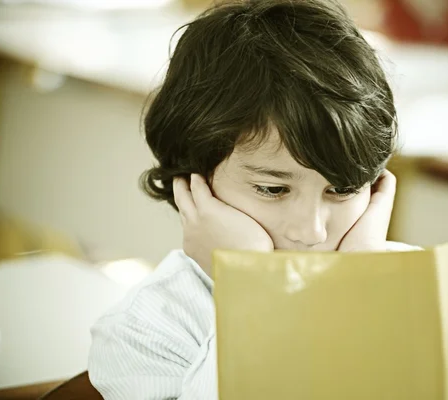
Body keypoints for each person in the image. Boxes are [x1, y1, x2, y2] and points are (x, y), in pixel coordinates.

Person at [88, 0, 417, 398]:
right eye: (273, 189)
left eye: (342, 189)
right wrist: (251, 297)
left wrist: (356, 290)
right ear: (194, 181)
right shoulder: (145, 332)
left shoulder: (426, 293)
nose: (311, 232)